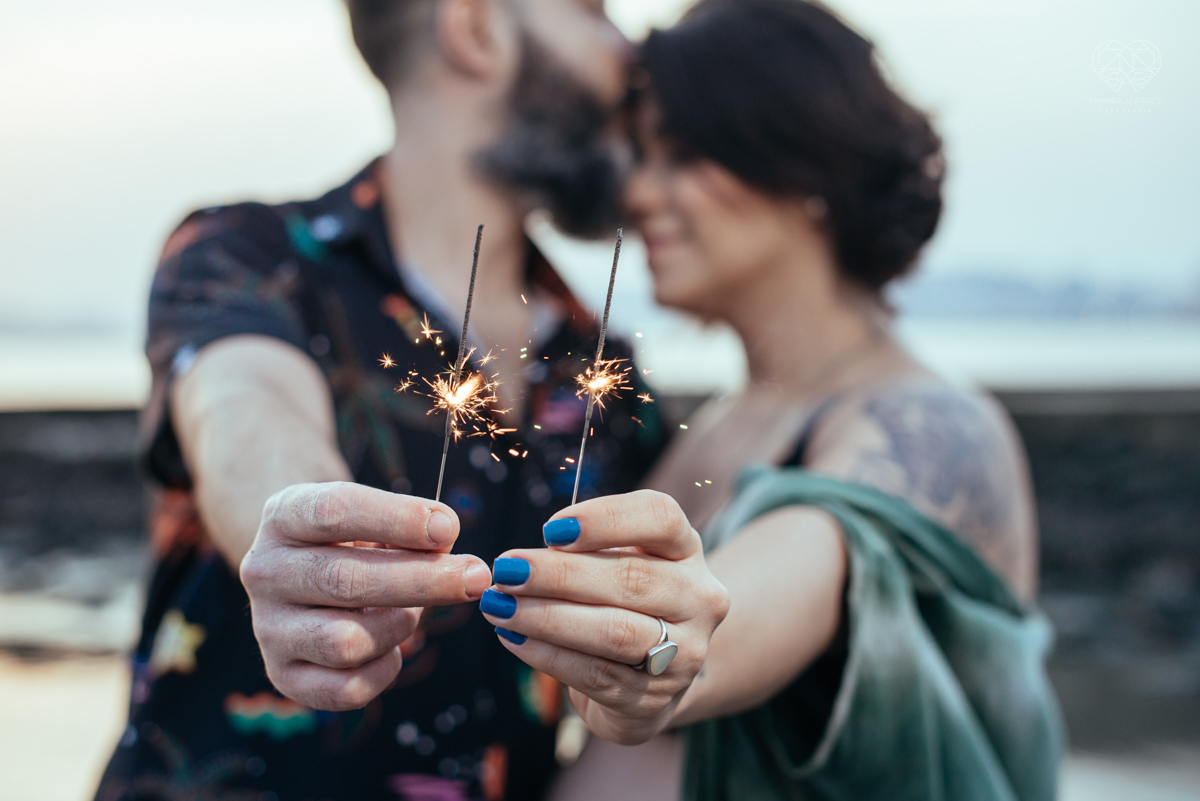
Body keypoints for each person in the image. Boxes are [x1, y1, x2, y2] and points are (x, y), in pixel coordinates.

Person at [472, 1, 1063, 799]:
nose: (637, 192)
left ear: (805, 166)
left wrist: (672, 642)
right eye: (638, 155)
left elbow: (802, 568)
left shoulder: (929, 424)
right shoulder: (710, 421)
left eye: (680, 154)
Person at [95, 2, 668, 800]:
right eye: (592, 11)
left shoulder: (608, 369)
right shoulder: (252, 257)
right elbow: (244, 404)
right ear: (475, 28)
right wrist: (302, 530)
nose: (628, 49)